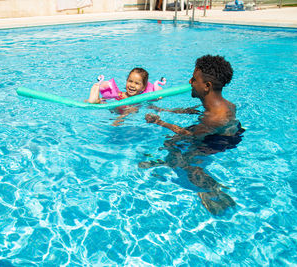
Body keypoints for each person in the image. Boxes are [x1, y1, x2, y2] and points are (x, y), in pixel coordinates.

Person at [140, 55, 245, 215]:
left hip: (216, 140)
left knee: (179, 154)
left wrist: (159, 122)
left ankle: (211, 190)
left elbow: (188, 134)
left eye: (194, 79)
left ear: (207, 86)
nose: (190, 82)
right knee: (174, 141)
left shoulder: (213, 118)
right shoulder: (226, 105)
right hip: (230, 131)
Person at [87, 68, 159, 126]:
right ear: (126, 81)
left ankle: (118, 120)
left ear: (143, 88)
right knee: (102, 102)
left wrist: (164, 110)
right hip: (115, 108)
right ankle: (94, 97)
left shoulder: (141, 98)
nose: (132, 85)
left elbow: (151, 106)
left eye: (137, 83)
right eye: (130, 81)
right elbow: (109, 99)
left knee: (133, 108)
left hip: (127, 110)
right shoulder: (120, 94)